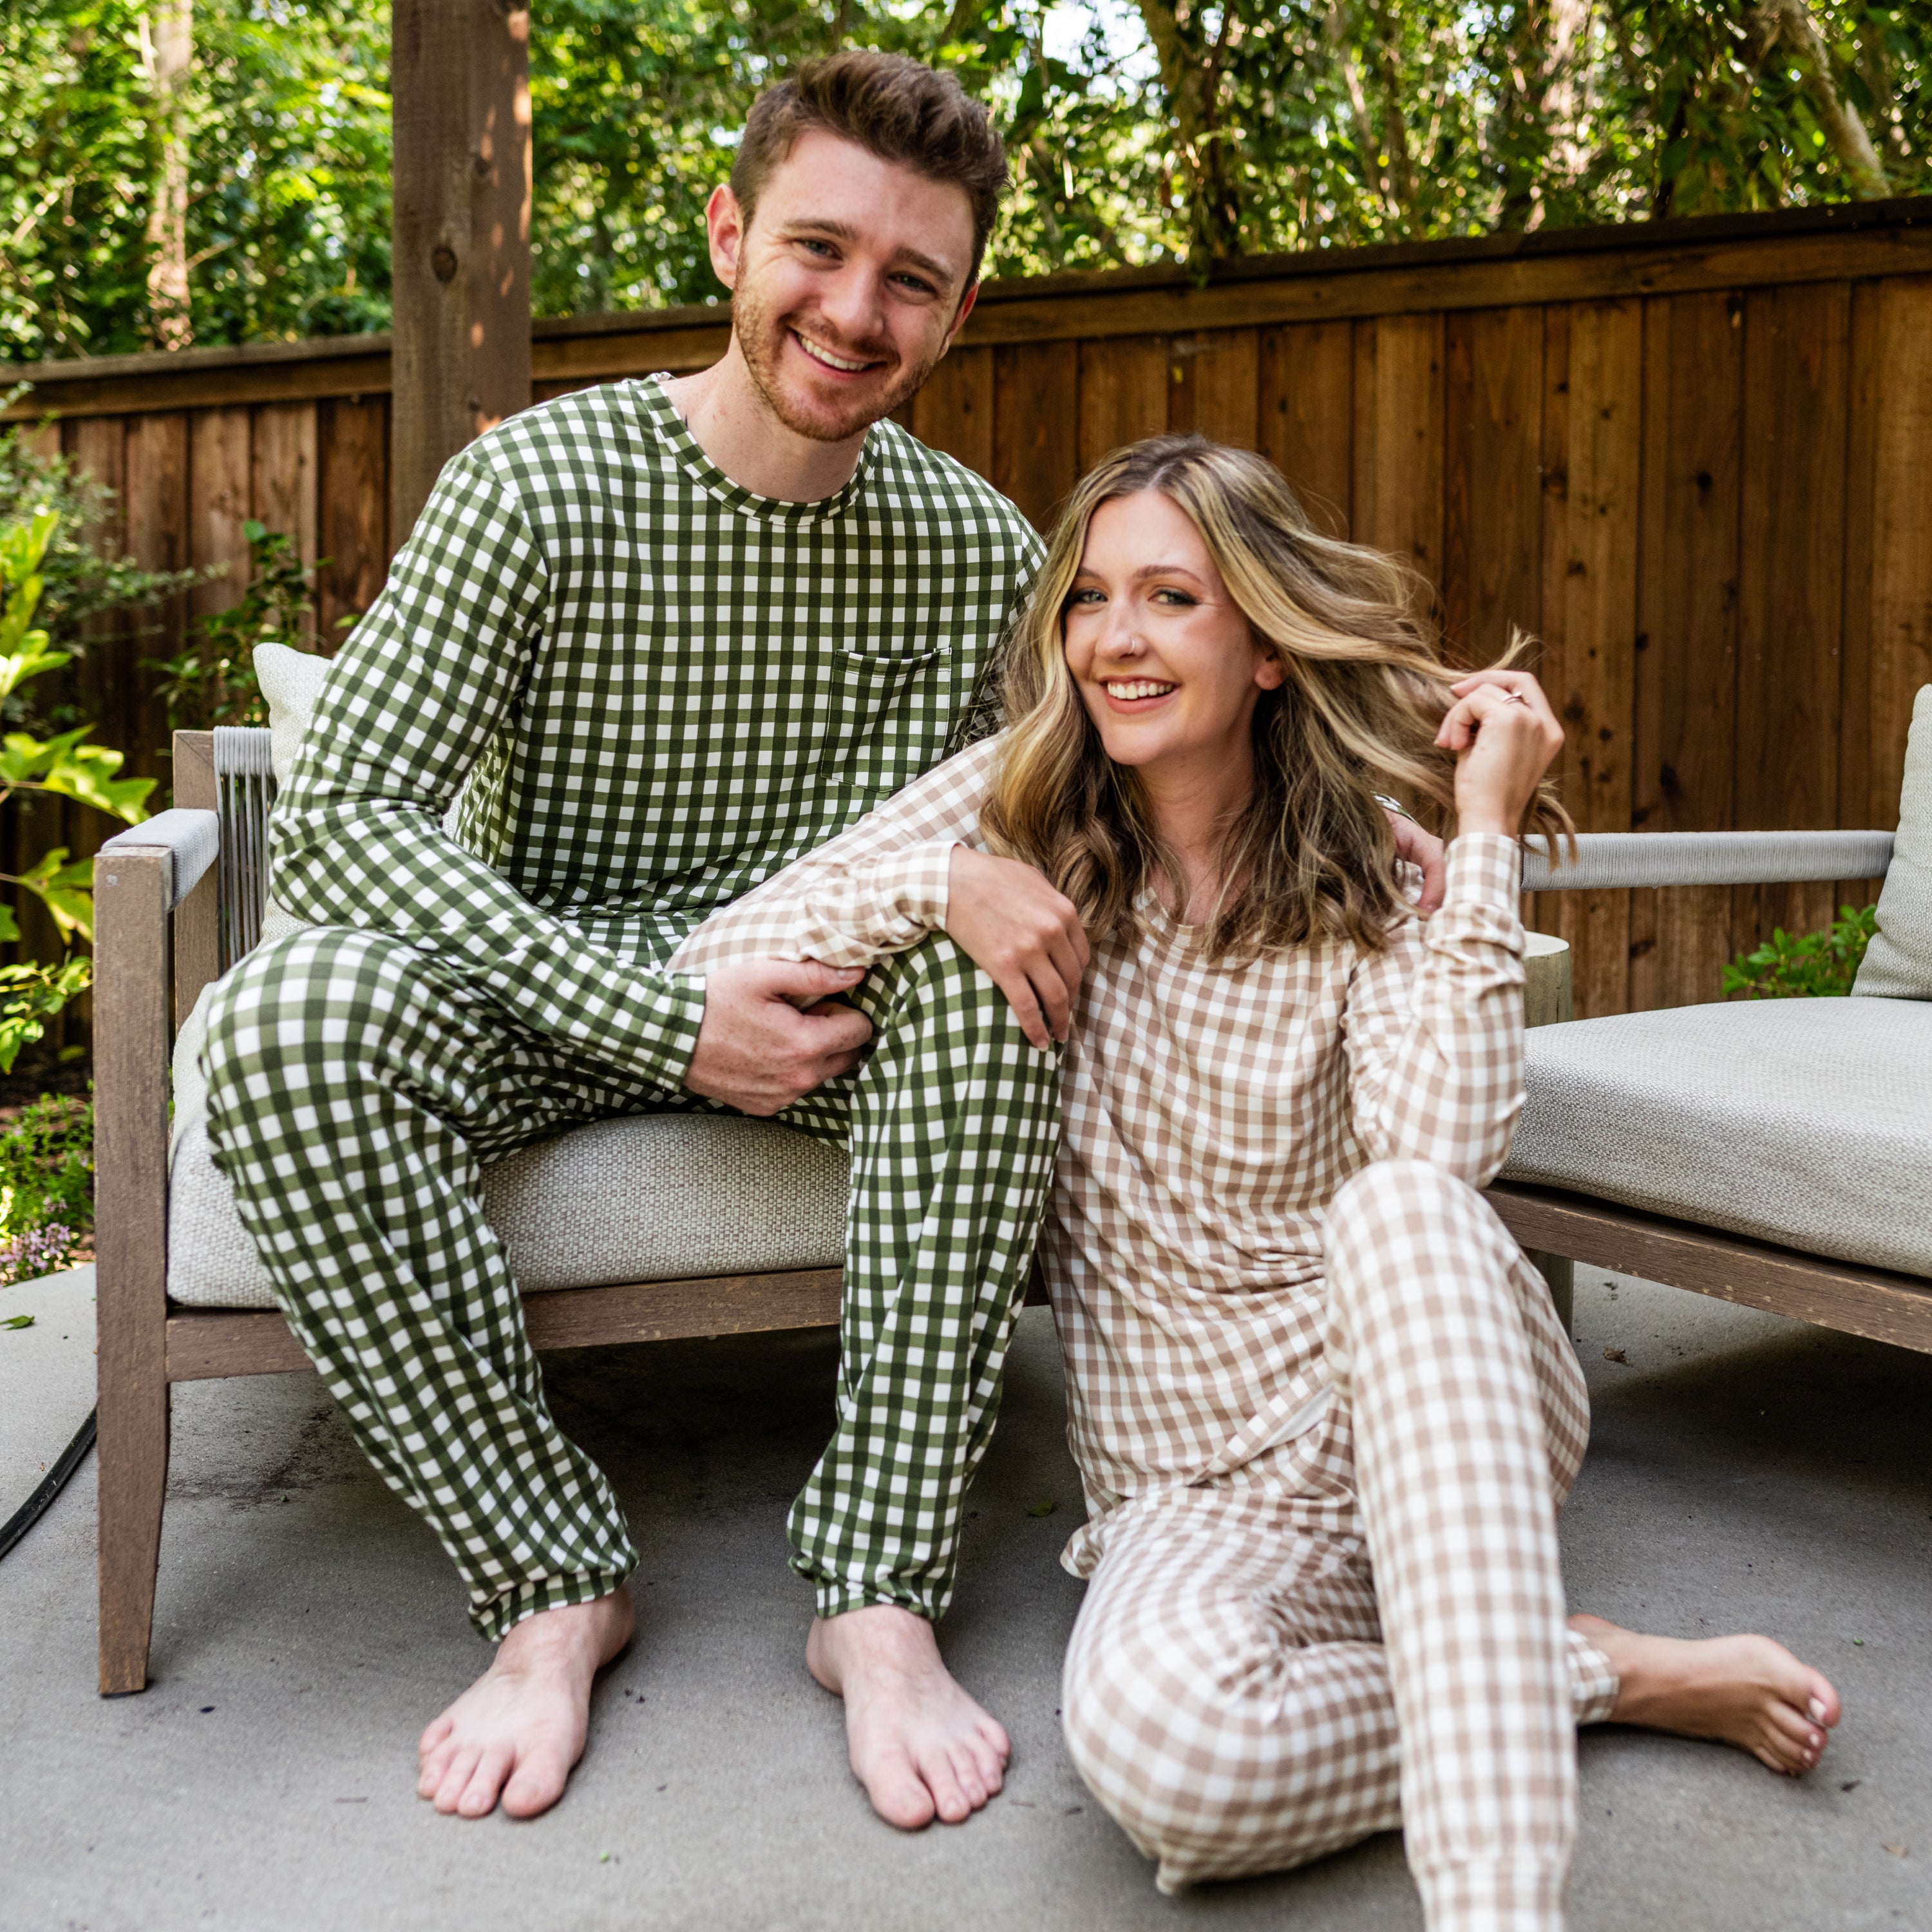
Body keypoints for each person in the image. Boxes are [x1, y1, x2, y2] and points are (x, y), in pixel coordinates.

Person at [197, 46, 1452, 1832]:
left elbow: (1128, 744)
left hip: (830, 1012)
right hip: (534, 984)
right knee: (279, 1021)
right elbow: (345, 823)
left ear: (956, 310)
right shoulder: (536, 489)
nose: (856, 311)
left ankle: (876, 1595)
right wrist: (654, 1013)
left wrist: (1372, 790)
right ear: (729, 233)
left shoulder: (970, 553)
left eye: (913, 278)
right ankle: (551, 1583)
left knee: (1001, 970)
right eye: (818, 249)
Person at [670, 434, 1842, 1929]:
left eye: (1172, 596)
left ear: (1269, 646)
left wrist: (1484, 838)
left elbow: (1445, 1149)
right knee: (1175, 1761)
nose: (1117, 639)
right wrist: (939, 882)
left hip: (1417, 1399)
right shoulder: (1017, 811)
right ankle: (1590, 1672)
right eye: (1091, 599)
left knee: (1402, 1207)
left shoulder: (1377, 869)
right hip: (1190, 1492)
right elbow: (715, 956)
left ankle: (1501, 1912)